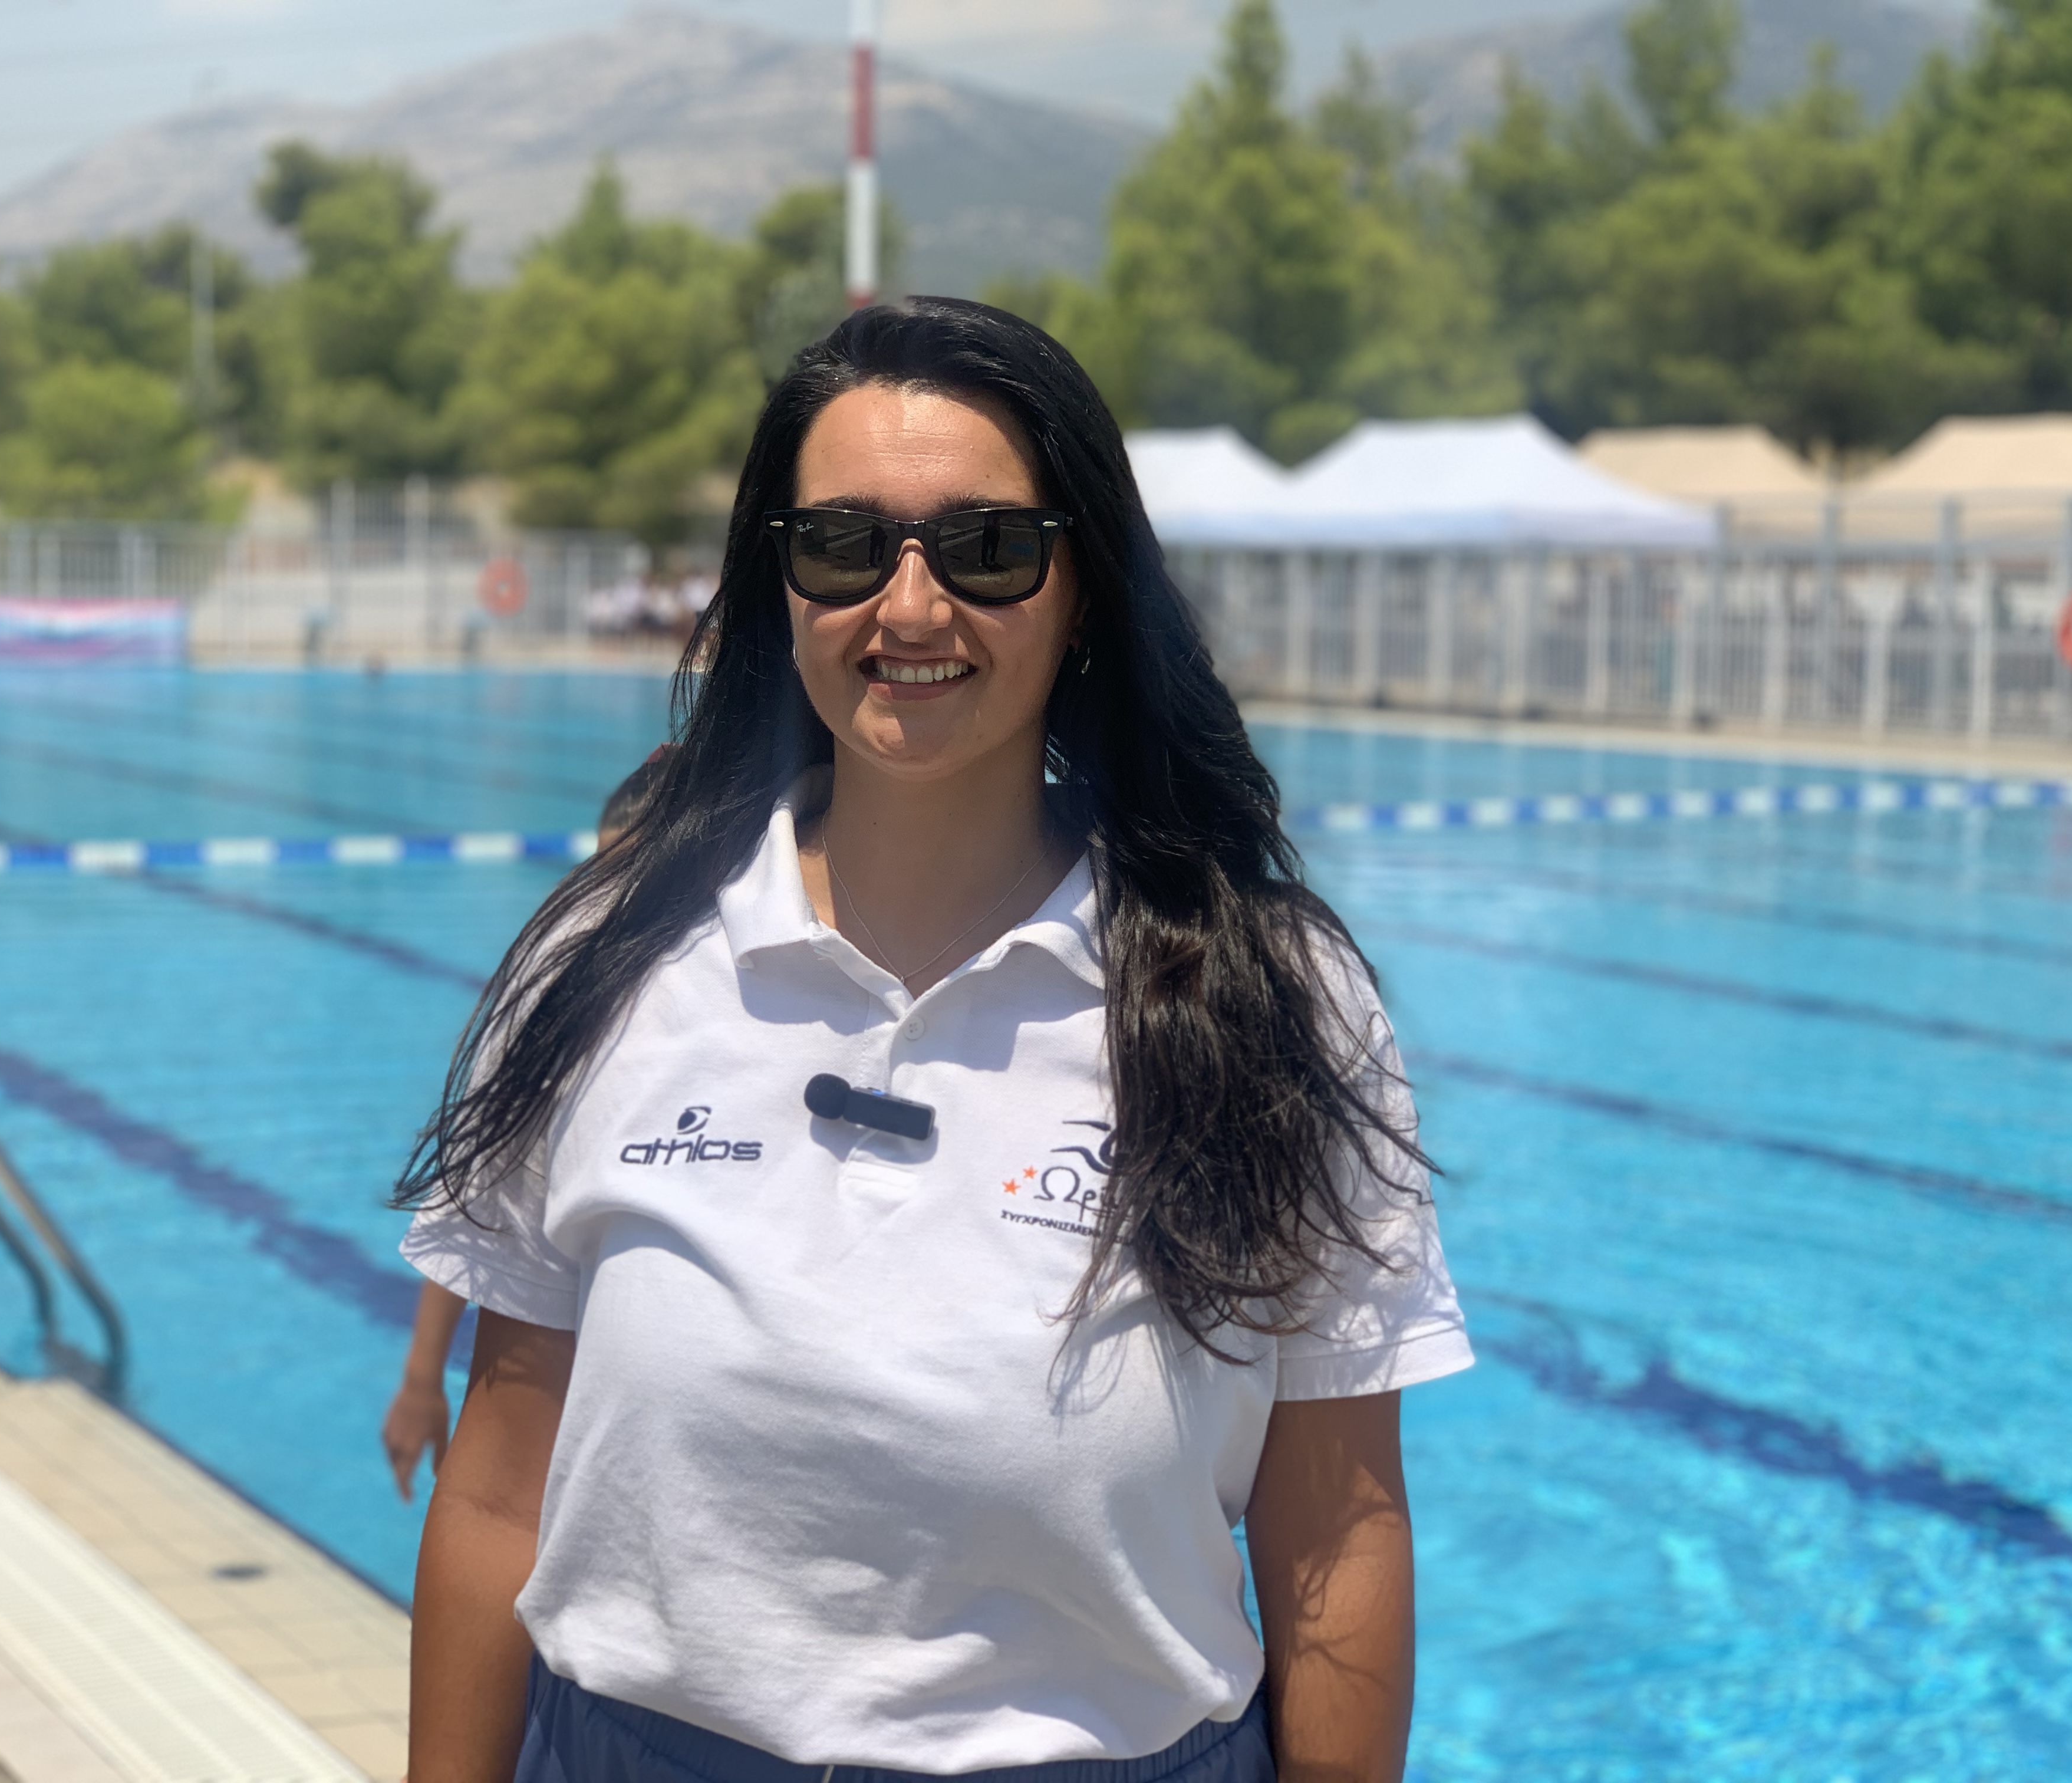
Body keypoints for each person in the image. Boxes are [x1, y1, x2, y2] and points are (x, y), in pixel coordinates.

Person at [397, 300, 1473, 1783]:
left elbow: (1334, 1536)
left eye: (989, 549)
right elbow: (497, 1496)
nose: (909, 609)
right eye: (844, 545)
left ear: (1084, 587)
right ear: (778, 582)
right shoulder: (610, 959)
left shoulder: (1271, 996)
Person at [381, 747, 672, 1499]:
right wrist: (421, 1382)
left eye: (641, 890)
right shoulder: (568, 1004)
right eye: (601, 883)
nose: (610, 916)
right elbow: (479, 1200)